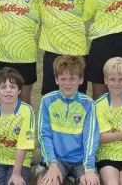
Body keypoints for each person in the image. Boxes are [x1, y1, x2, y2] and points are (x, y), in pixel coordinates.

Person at [36, 55, 100, 185]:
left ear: (81, 80)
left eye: (72, 79)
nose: (67, 83)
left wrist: (89, 168)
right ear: (56, 80)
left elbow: (91, 138)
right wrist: (52, 163)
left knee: (90, 182)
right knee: (47, 182)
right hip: (57, 159)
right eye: (63, 79)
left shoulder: (88, 104)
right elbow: (43, 136)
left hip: (80, 161)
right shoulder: (47, 101)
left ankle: (74, 177)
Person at [0, 68, 36, 185]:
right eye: (3, 87)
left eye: (12, 87)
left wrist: (16, 174)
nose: (8, 90)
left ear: (19, 90)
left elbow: (23, 146)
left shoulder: (26, 111)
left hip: (20, 162)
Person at [95, 58, 122, 185]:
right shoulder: (99, 105)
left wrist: (113, 133)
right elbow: (101, 138)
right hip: (106, 154)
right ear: (105, 80)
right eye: (112, 79)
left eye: (121, 79)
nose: (116, 83)